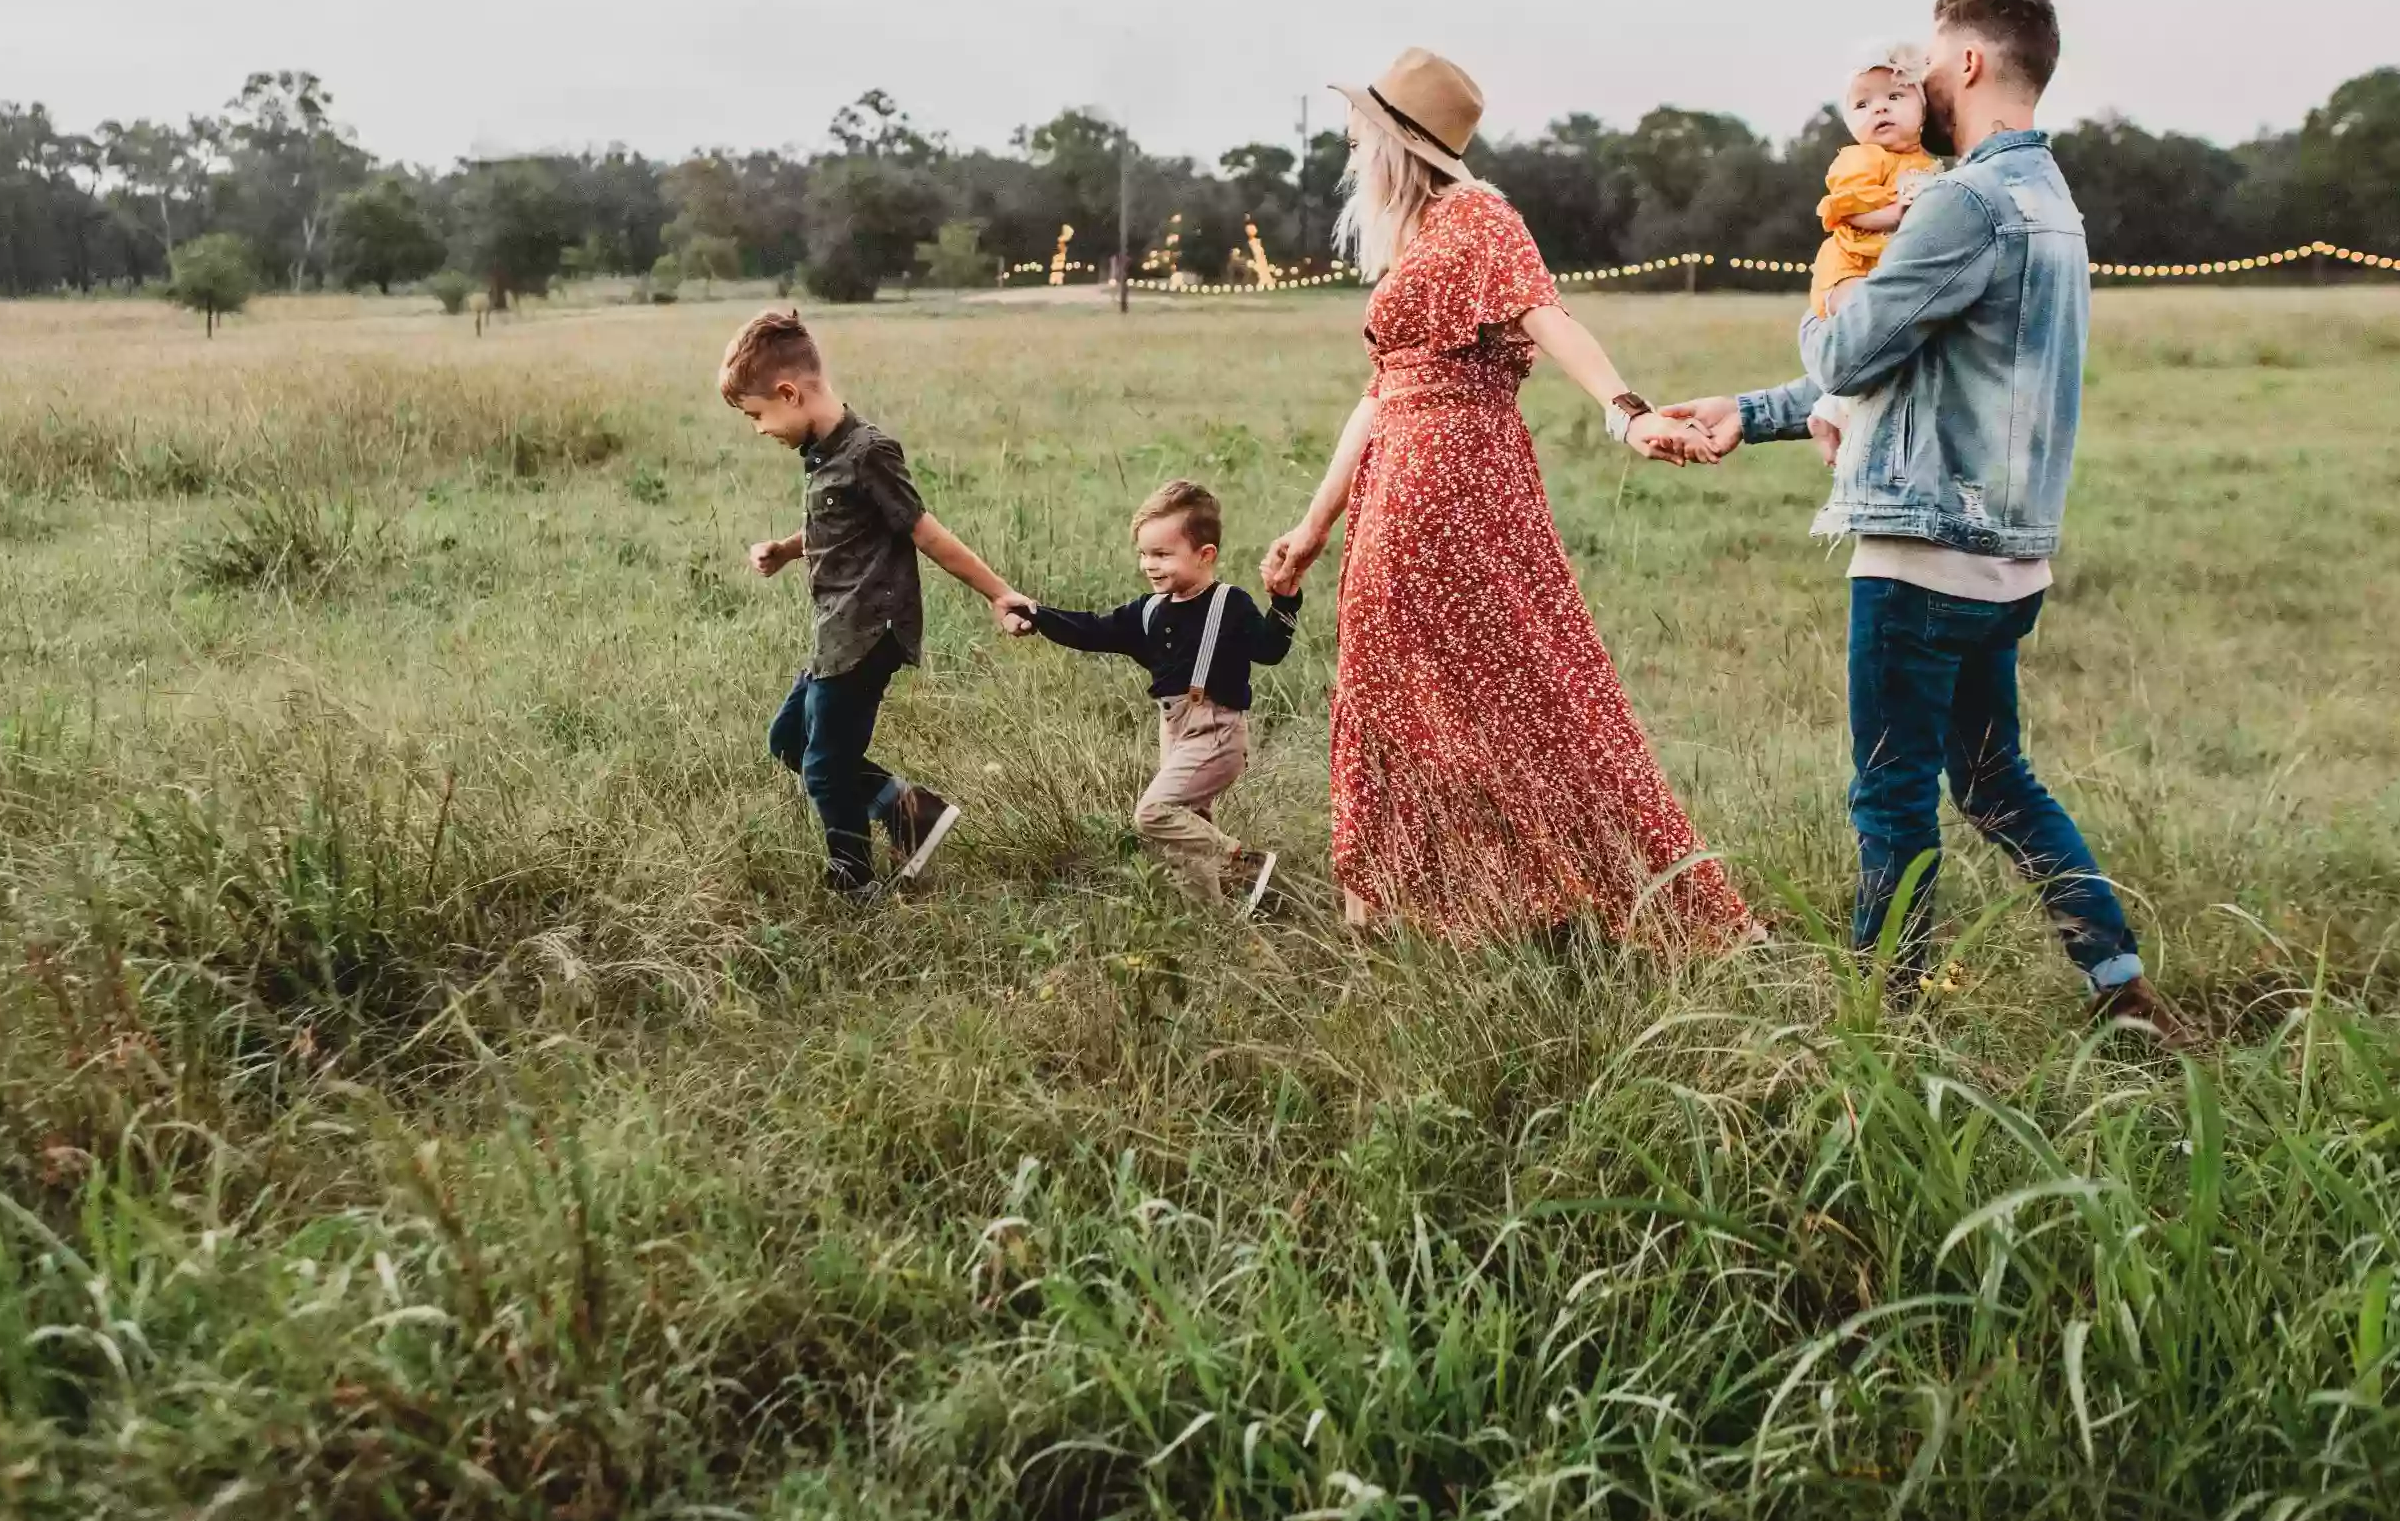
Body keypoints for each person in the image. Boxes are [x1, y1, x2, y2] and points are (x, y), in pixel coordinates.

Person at [1662, 0, 2177, 1031]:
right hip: (2006, 559)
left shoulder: (1962, 200)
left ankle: (1882, 1026)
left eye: (1932, 64)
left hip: (1919, 555)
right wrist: (1750, 412)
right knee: (1994, 785)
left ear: (1974, 65)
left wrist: (1832, 300)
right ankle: (2117, 987)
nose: (1922, 83)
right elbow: (1917, 372)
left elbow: (1853, 347)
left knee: (1891, 795)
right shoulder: (2052, 206)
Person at [1260, 47, 1757, 949]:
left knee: (1528, 689)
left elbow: (1547, 314)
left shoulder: (1478, 217)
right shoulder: (1413, 238)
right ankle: (1417, 905)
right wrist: (1312, 525)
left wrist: (1627, 413)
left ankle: (1593, 893)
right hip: (1398, 485)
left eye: (1360, 130)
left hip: (1457, 483)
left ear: (1398, 142)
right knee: (1394, 692)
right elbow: (1380, 395)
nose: (1347, 144)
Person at [720, 308, 1022, 906]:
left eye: (757, 416)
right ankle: (912, 813)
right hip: (836, 634)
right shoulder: (826, 456)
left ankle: (853, 881)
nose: (758, 429)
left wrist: (999, 592)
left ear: (789, 392)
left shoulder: (868, 452)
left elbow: (925, 532)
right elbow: (842, 526)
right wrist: (786, 549)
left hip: (867, 632)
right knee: (789, 741)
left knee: (826, 766)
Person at [1001, 479, 1298, 912]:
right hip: (1173, 729)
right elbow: (1092, 630)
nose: (1149, 565)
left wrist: (1285, 602)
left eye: (1162, 554)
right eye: (1144, 554)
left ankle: (1243, 863)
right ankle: (1210, 920)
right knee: (1186, 829)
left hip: (1216, 730)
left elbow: (1270, 650)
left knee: (1154, 813)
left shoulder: (1228, 604)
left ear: (1205, 555)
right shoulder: (1150, 610)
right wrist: (1038, 614)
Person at [1805, 43, 1942, 500]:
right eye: (1863, 104)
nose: (1879, 109)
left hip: (1884, 271)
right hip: (1850, 266)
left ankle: (1829, 410)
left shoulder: (1926, 165)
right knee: (1868, 325)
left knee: (1886, 345)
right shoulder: (1860, 159)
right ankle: (1834, 416)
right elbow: (1848, 209)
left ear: (1923, 107)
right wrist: (1897, 213)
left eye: (1895, 97)